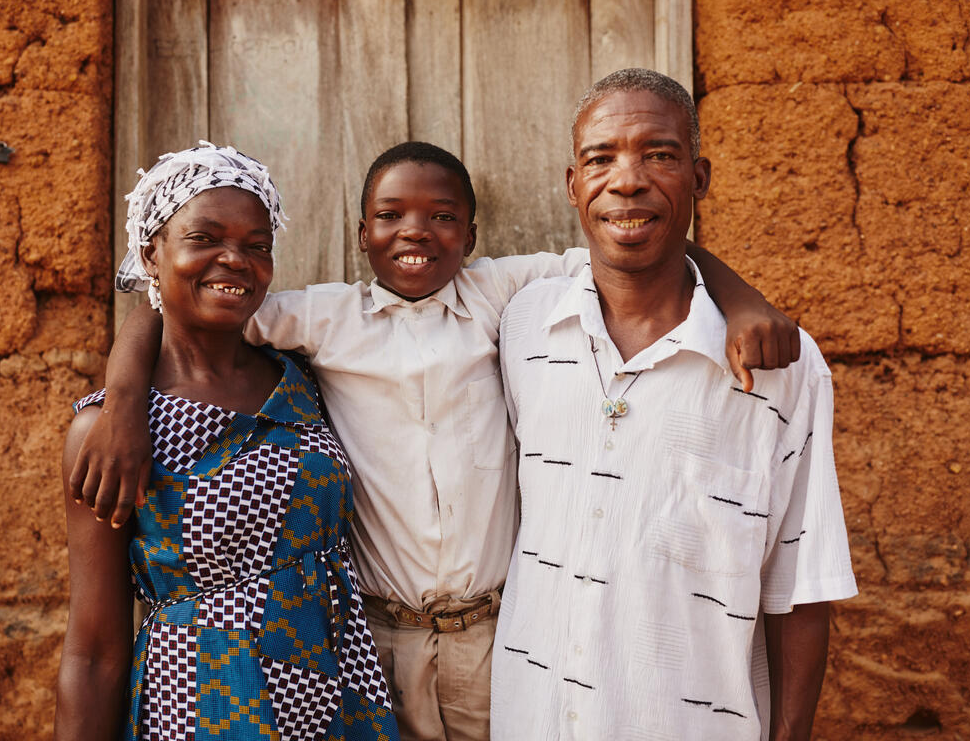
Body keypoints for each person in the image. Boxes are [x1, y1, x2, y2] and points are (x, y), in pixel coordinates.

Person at [70, 141, 801, 741]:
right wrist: (125, 400)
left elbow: (641, 251)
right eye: (390, 215)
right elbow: (173, 310)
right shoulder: (320, 319)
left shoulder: (502, 294)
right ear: (362, 235)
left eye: (443, 217)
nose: (415, 232)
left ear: (473, 237)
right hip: (372, 642)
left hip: (495, 630)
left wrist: (741, 301)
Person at [491, 68, 857, 740]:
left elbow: (800, 585)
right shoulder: (522, 325)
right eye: (601, 158)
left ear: (700, 177)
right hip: (532, 718)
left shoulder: (781, 367)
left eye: (658, 154)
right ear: (574, 184)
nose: (627, 179)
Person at [54, 144, 399, 741]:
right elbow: (93, 649)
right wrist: (126, 398)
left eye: (256, 245)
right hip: (205, 707)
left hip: (337, 697)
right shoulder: (111, 430)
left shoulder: (303, 379)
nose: (234, 259)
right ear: (150, 253)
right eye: (204, 238)